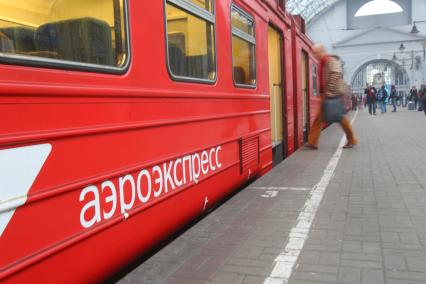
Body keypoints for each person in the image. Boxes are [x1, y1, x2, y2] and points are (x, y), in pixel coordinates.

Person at [305, 45, 357, 149]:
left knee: (341, 118)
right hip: (325, 94)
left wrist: (330, 90)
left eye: (316, 52)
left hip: (332, 94)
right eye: (314, 53)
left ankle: (352, 140)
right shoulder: (323, 62)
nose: (314, 55)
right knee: (318, 120)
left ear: (322, 51)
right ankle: (312, 142)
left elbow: (335, 74)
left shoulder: (330, 60)